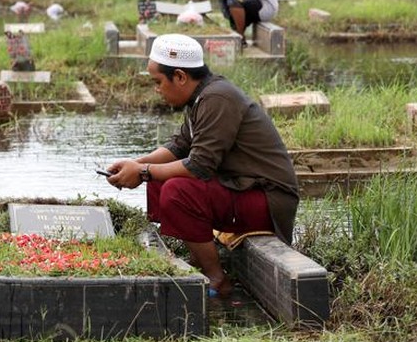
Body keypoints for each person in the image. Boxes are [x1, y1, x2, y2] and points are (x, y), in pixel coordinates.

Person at [105, 34, 299, 298]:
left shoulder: (217, 98)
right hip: (240, 189)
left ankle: (216, 277)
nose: (157, 89)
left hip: (267, 199)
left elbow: (199, 166)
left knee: (177, 191)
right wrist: (136, 163)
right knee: (160, 182)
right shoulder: (201, 97)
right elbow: (179, 146)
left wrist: (142, 172)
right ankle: (193, 254)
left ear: (181, 77)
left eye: (158, 81)